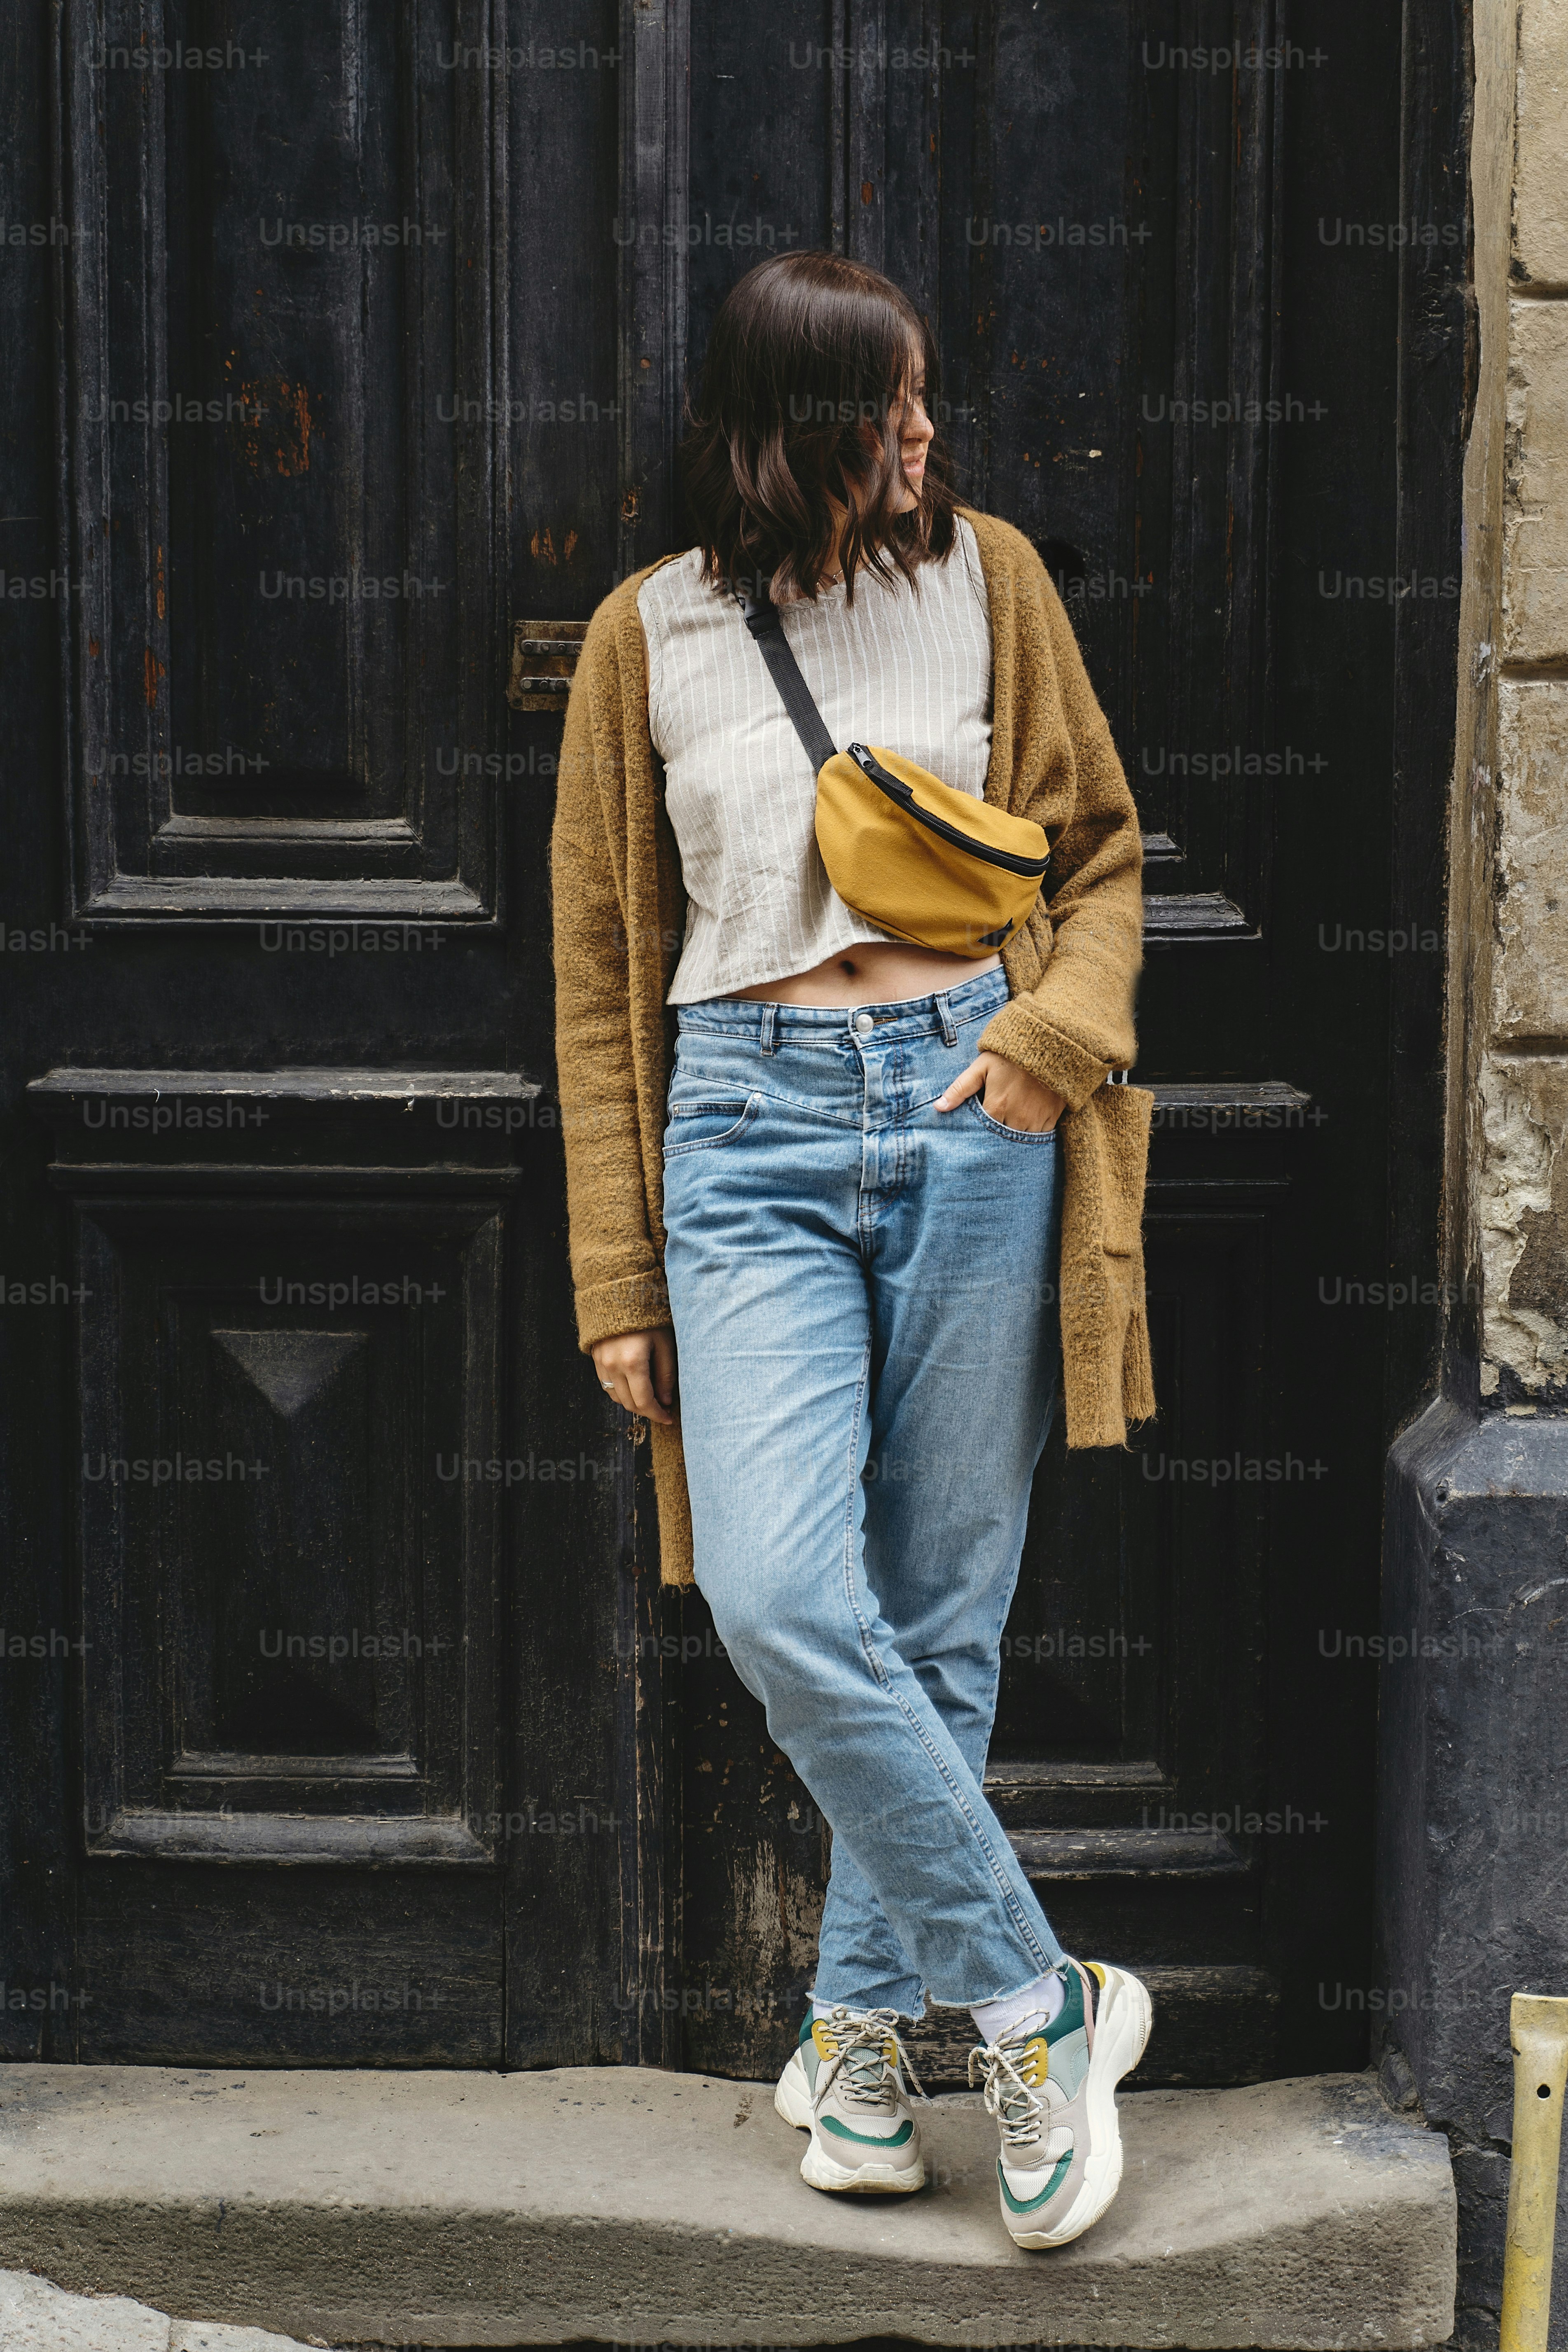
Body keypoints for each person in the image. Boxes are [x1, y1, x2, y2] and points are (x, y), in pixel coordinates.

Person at [551, 248, 1156, 2250]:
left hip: (973, 1108)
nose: (922, 433)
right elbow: (594, 968)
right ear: (792, 424)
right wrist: (618, 1276)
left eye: (921, 404)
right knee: (785, 1591)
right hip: (743, 1133)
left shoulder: (991, 578)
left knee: (946, 1601)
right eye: (885, 407)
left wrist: (1045, 1049)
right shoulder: (648, 636)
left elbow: (1095, 856)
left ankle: (865, 2043)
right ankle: (1036, 2000)